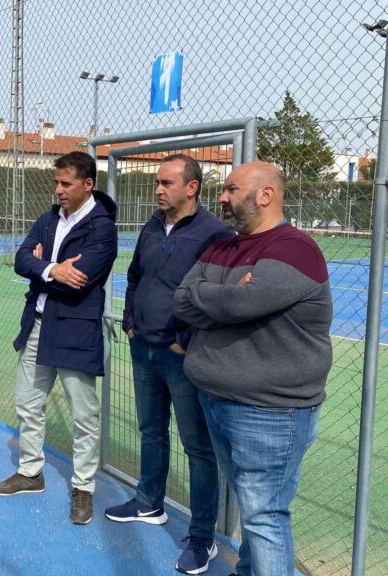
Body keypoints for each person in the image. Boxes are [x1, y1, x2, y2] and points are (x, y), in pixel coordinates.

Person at [173, 161, 333, 576]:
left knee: (264, 516)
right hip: (217, 399)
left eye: (230, 189)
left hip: (270, 412)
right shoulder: (221, 246)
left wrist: (218, 300)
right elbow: (183, 300)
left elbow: (243, 303)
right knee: (253, 509)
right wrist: (224, 299)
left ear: (265, 195)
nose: (221, 198)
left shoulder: (294, 249)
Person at [104, 154, 232, 574]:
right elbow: (136, 275)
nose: (158, 190)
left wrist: (185, 340)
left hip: (182, 359)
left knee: (198, 449)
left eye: (166, 183)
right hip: (144, 348)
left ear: (191, 187)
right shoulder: (152, 226)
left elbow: (218, 296)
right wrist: (129, 321)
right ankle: (149, 503)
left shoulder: (214, 234)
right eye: (158, 183)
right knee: (151, 430)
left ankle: (202, 538)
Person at [0, 151, 118, 526]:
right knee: (28, 403)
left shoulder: (102, 228)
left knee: (84, 414)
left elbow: (83, 276)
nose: (58, 190)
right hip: (37, 324)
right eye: (56, 183)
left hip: (75, 328)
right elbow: (20, 258)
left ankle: (83, 487)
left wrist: (43, 268)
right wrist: (50, 268)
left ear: (87, 184)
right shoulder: (48, 219)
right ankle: (31, 472)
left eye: (66, 184)